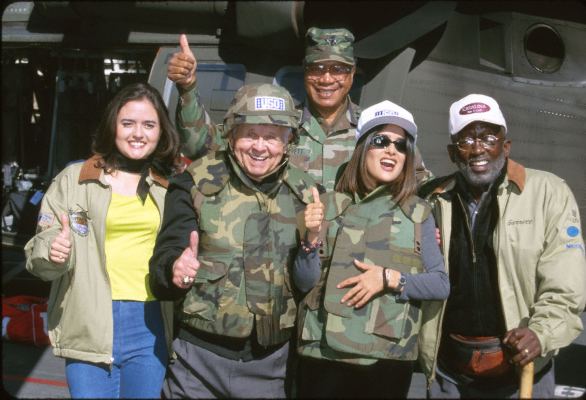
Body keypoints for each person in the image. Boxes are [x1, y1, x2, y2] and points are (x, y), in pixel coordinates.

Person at [148, 83, 317, 398]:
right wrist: (174, 268)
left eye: (271, 136)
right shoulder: (194, 185)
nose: (260, 147)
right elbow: (163, 262)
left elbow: (308, 281)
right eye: (250, 134)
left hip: (270, 367)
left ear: (288, 140)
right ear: (231, 133)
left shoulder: (306, 194)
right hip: (197, 363)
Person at [418, 94, 586, 398]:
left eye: (488, 137)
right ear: (452, 152)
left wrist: (541, 333)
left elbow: (566, 284)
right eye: (466, 139)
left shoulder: (550, 193)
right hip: (449, 374)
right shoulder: (430, 200)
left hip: (522, 373)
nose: (478, 148)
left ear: (505, 146)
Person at [24, 82, 181, 398]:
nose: (138, 133)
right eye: (128, 123)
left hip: (149, 323)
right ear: (113, 126)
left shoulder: (170, 188)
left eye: (149, 125)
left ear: (161, 132)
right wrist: (53, 252)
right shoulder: (75, 179)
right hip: (89, 319)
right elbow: (40, 254)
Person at [293, 100, 450, 398]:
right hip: (322, 357)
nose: (392, 150)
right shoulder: (325, 206)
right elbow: (303, 282)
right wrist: (310, 240)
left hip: (385, 363)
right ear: (363, 147)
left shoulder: (419, 214)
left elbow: (440, 284)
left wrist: (389, 278)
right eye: (381, 141)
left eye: (401, 145)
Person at [166, 28, 432, 190]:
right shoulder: (278, 124)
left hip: (351, 261)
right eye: (317, 69)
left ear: (352, 74)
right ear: (305, 74)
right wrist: (188, 88)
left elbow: (419, 182)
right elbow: (199, 145)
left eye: (338, 69)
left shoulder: (375, 130)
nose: (326, 79)